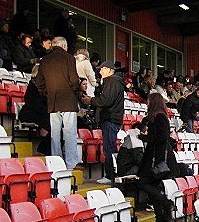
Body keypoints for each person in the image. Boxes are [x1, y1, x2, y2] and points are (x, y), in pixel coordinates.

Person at [35, 36, 81, 170]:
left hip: (53, 102)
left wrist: (47, 92)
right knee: (69, 133)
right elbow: (74, 80)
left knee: (55, 134)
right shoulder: (69, 58)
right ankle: (71, 163)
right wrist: (72, 89)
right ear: (64, 46)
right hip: (68, 101)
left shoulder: (45, 60)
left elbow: (39, 82)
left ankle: (56, 162)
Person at [137, 93, 179, 222]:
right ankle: (160, 218)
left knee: (143, 183)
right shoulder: (157, 117)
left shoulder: (160, 117)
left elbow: (161, 137)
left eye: (148, 101)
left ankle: (166, 204)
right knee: (152, 188)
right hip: (155, 155)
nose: (147, 103)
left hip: (157, 157)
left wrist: (145, 138)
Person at [83, 61, 125, 184]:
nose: (100, 71)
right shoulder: (115, 82)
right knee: (110, 148)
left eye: (102, 69)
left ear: (109, 70)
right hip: (113, 119)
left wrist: (91, 100)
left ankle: (110, 175)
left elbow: (106, 100)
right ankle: (114, 174)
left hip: (110, 119)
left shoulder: (112, 82)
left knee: (109, 148)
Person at [20, 64, 51, 155]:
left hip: (39, 112)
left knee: (56, 125)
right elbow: (33, 104)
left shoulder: (42, 86)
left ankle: (44, 148)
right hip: (29, 113)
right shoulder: (32, 86)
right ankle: (43, 149)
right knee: (53, 126)